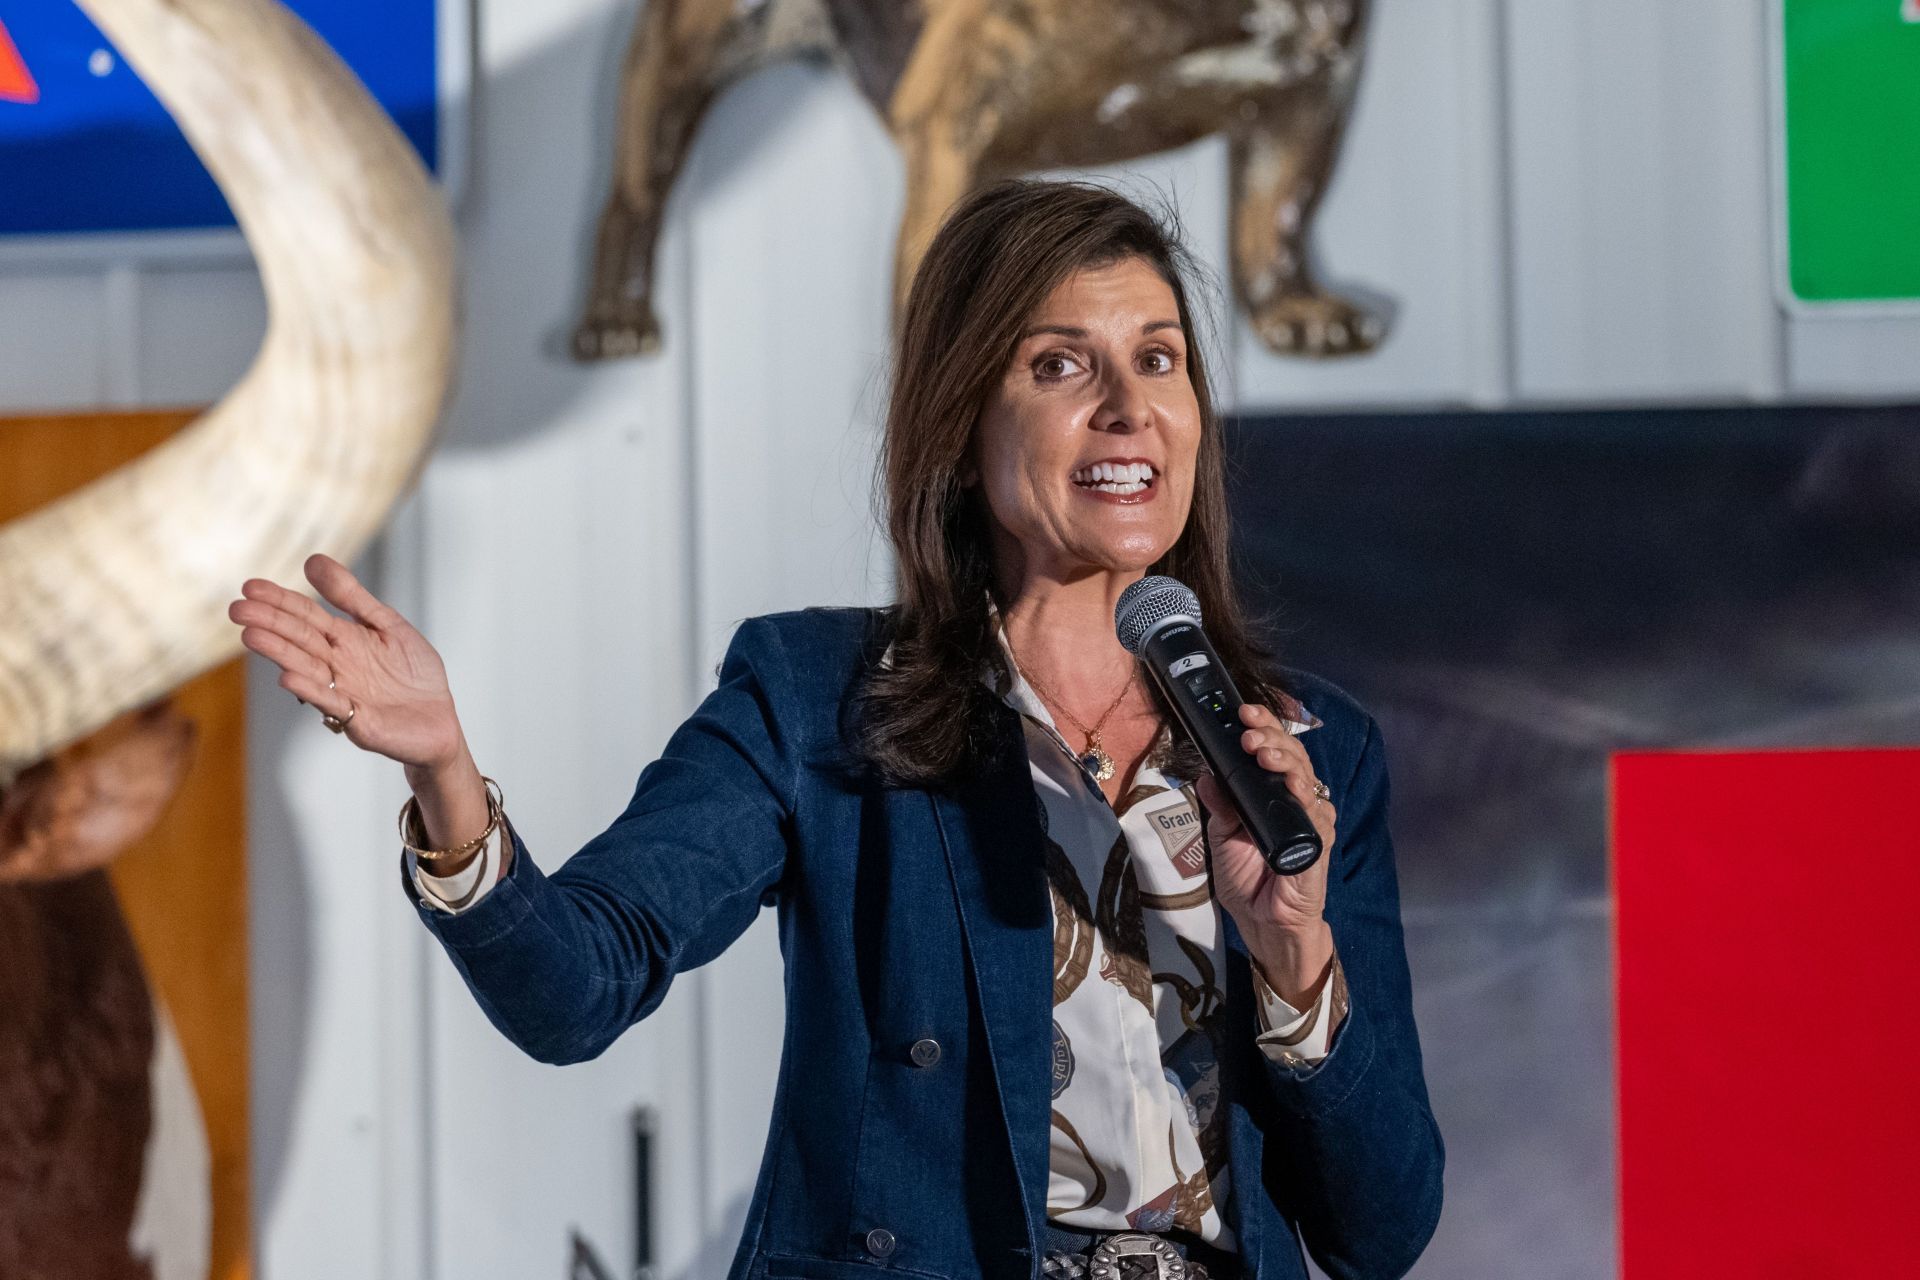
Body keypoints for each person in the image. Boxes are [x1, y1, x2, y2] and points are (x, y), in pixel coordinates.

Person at [229, 178, 1443, 1280]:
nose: (1129, 408)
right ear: (965, 431)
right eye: (1063, 366)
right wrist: (445, 767)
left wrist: (1294, 956)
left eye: (1160, 360)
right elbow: (573, 987)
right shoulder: (819, 696)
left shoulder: (1309, 750)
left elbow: (1379, 1228)